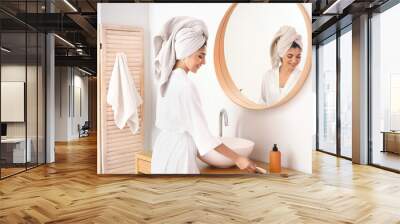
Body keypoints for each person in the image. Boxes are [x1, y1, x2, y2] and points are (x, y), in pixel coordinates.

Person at [151, 16, 257, 174]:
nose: (204, 61)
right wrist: (238, 158)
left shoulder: (166, 79)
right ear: (186, 53)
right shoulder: (186, 85)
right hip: (179, 153)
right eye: (200, 55)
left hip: (161, 149)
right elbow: (204, 136)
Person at [260, 25, 303, 105]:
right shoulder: (268, 76)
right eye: (290, 56)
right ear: (281, 54)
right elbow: (262, 102)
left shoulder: (302, 77)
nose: (294, 61)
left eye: (298, 56)